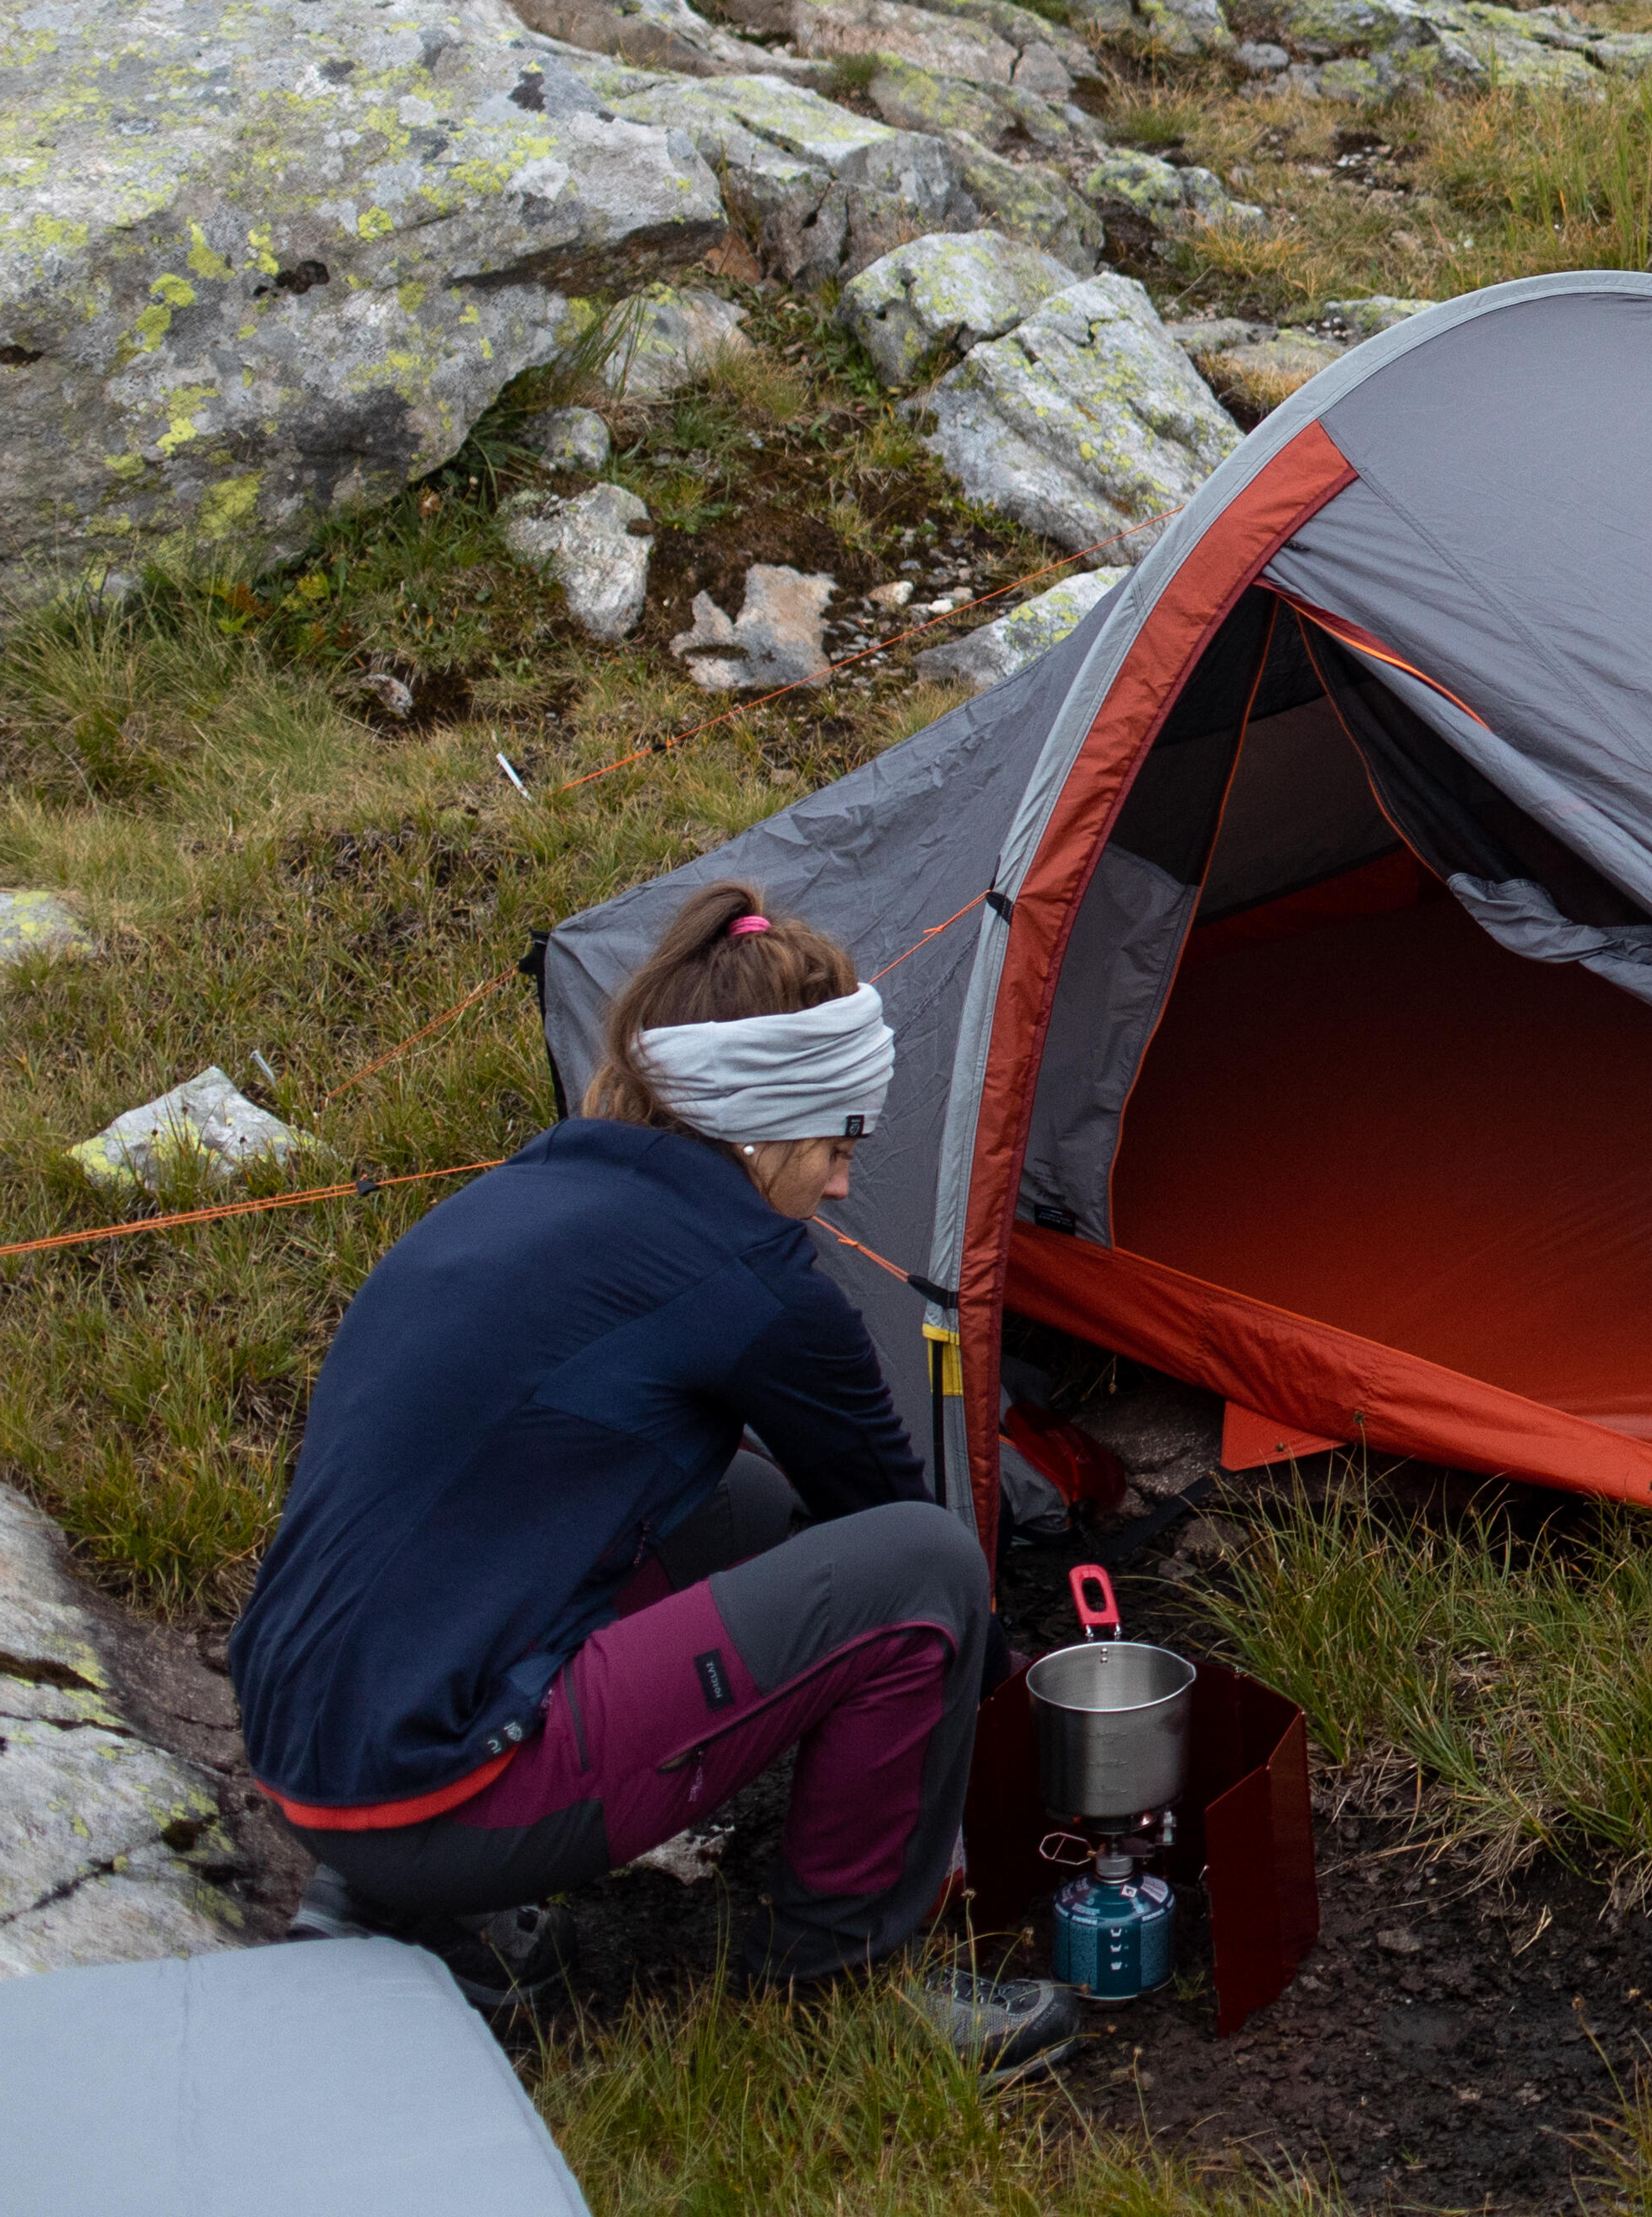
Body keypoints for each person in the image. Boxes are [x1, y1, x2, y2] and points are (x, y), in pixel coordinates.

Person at [236, 883, 1074, 2074]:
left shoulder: (537, 1194)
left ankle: (391, 1901)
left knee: (736, 1502)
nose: (840, 1186)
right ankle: (846, 1988)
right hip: (444, 1791)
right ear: (763, 1122)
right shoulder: (757, 1281)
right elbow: (890, 1515)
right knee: (922, 1575)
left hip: (310, 1740)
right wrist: (1006, 1702)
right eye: (837, 1146)